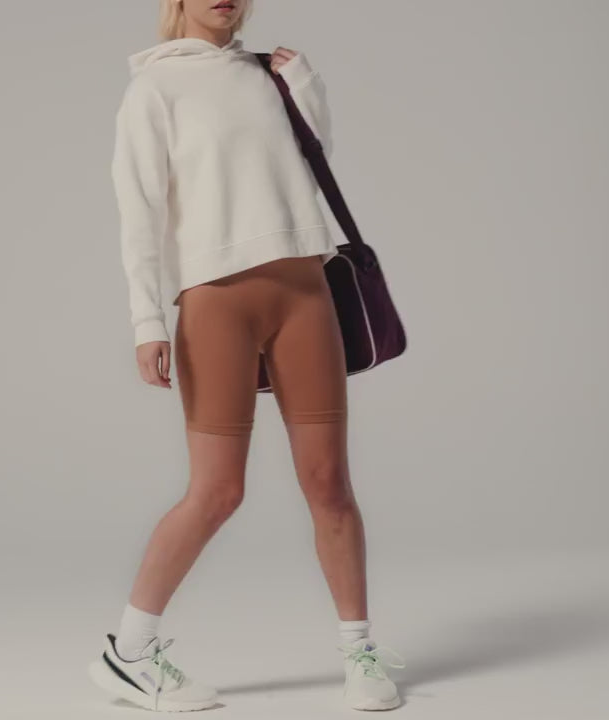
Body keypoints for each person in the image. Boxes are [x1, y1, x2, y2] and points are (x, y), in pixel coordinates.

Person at [88, 0, 405, 712]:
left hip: (305, 293)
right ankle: (128, 653)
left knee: (329, 482)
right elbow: (138, 211)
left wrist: (307, 90)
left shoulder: (271, 75)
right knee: (217, 491)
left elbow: (305, 167)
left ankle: (358, 651)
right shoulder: (154, 89)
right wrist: (146, 319)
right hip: (215, 304)